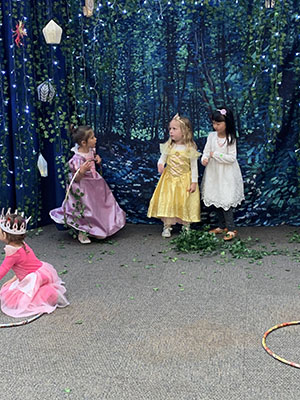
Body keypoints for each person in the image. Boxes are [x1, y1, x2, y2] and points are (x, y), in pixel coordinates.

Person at [50, 125, 126, 244]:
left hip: (95, 183)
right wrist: (81, 171)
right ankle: (83, 232)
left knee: (100, 206)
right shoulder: (77, 159)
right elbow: (77, 178)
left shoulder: (91, 151)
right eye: (92, 138)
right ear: (84, 142)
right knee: (86, 209)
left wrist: (97, 160)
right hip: (83, 187)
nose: (95, 139)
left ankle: (100, 228)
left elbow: (94, 162)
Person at [0, 209, 69, 318]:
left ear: (5, 235)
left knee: (12, 301)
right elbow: (26, 263)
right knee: (9, 288)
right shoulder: (21, 243)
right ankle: (48, 292)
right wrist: (15, 278)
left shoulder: (12, 252)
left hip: (32, 278)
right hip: (40, 272)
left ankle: (49, 295)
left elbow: (2, 270)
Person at [147, 114, 201, 237]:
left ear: (184, 131)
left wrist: (194, 182)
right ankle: (167, 226)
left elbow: (194, 167)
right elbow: (162, 159)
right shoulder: (169, 146)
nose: (171, 131)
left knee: (184, 202)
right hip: (170, 179)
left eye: (174, 129)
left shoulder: (190, 147)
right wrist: (160, 164)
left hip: (184, 180)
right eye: (170, 129)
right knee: (169, 202)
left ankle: (186, 226)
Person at [201, 107, 244, 240]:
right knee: (216, 197)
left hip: (227, 174)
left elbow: (231, 158)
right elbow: (206, 151)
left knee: (226, 198)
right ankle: (221, 225)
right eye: (214, 123)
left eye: (218, 124)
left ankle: (231, 228)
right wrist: (205, 158)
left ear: (227, 123)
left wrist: (216, 154)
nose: (215, 126)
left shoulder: (230, 138)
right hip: (214, 173)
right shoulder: (211, 136)